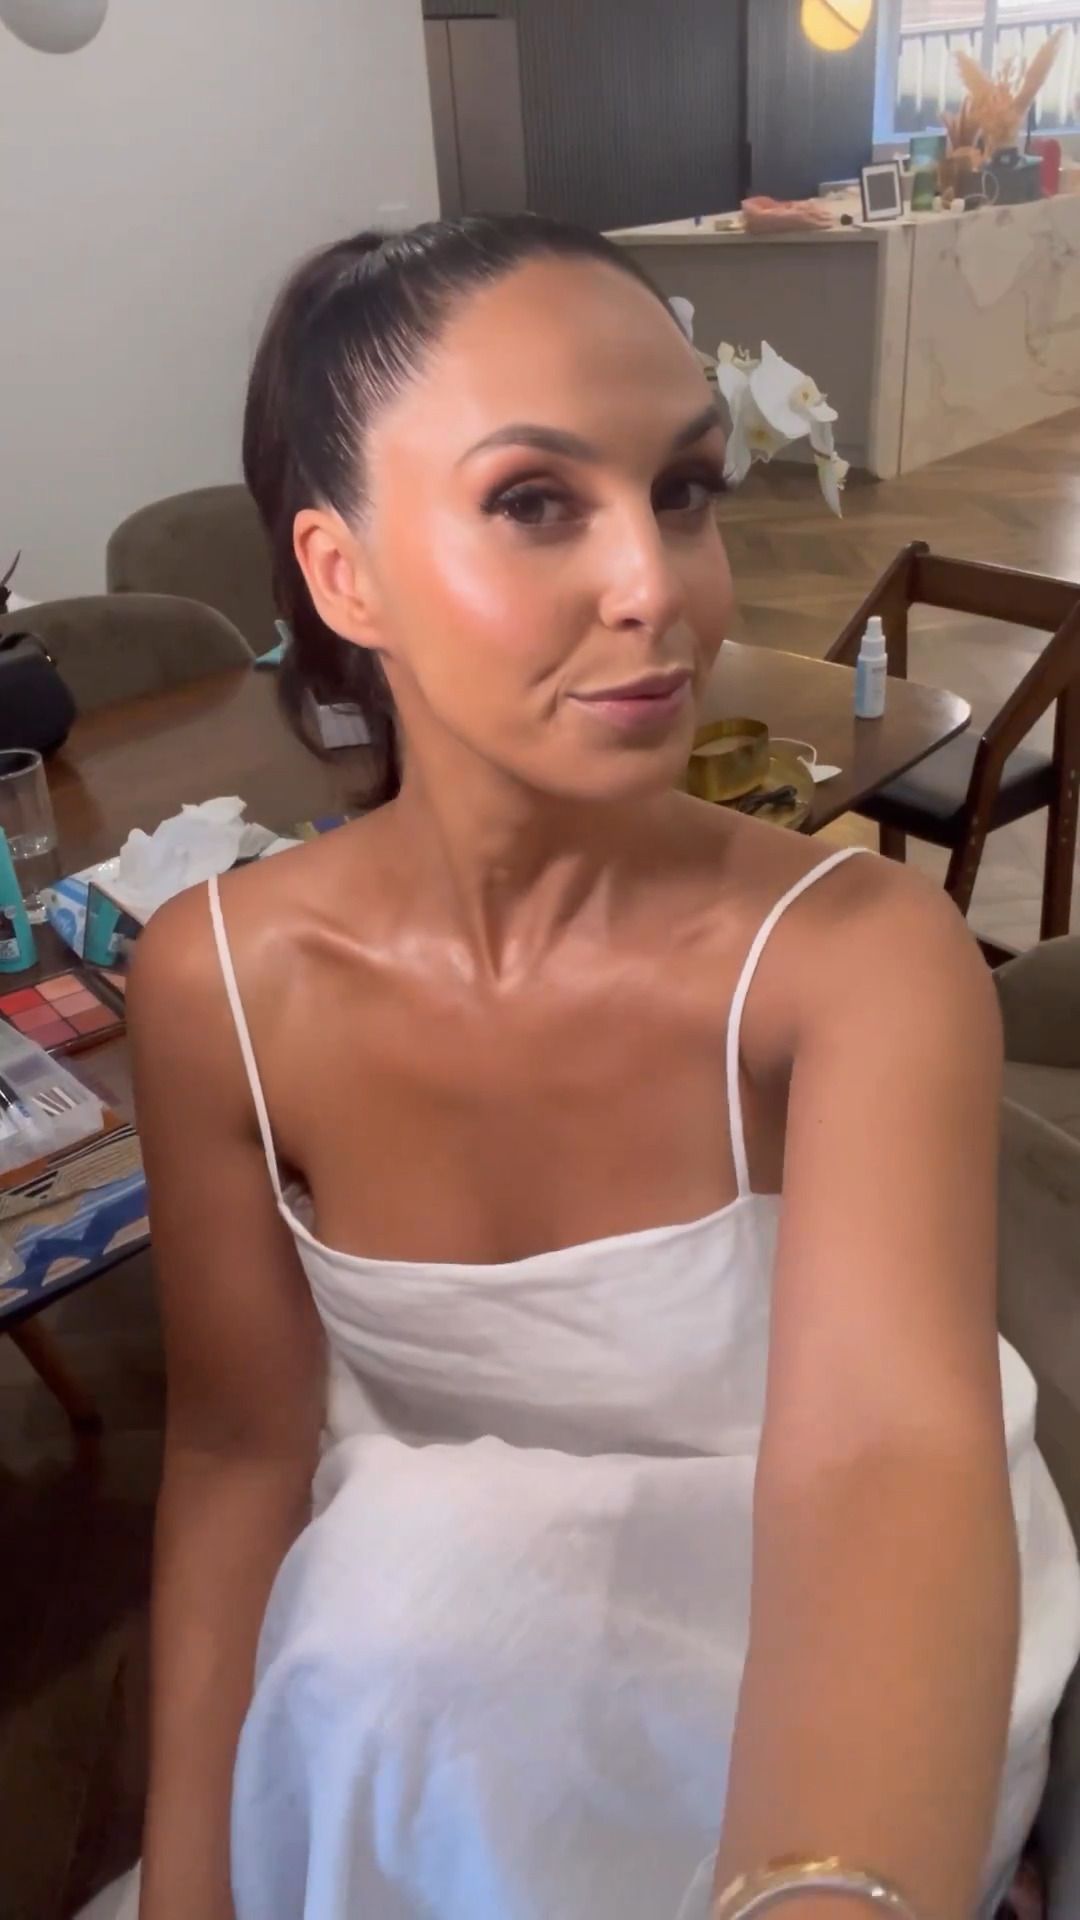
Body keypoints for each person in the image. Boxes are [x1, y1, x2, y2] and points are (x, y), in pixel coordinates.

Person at [112, 215, 1079, 1920]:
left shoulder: (855, 959)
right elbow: (240, 1456)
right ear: (344, 574)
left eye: (685, 490)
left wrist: (827, 1884)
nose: (663, 588)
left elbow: (881, 1464)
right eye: (536, 501)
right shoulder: (220, 990)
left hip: (841, 1637)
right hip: (444, 1637)